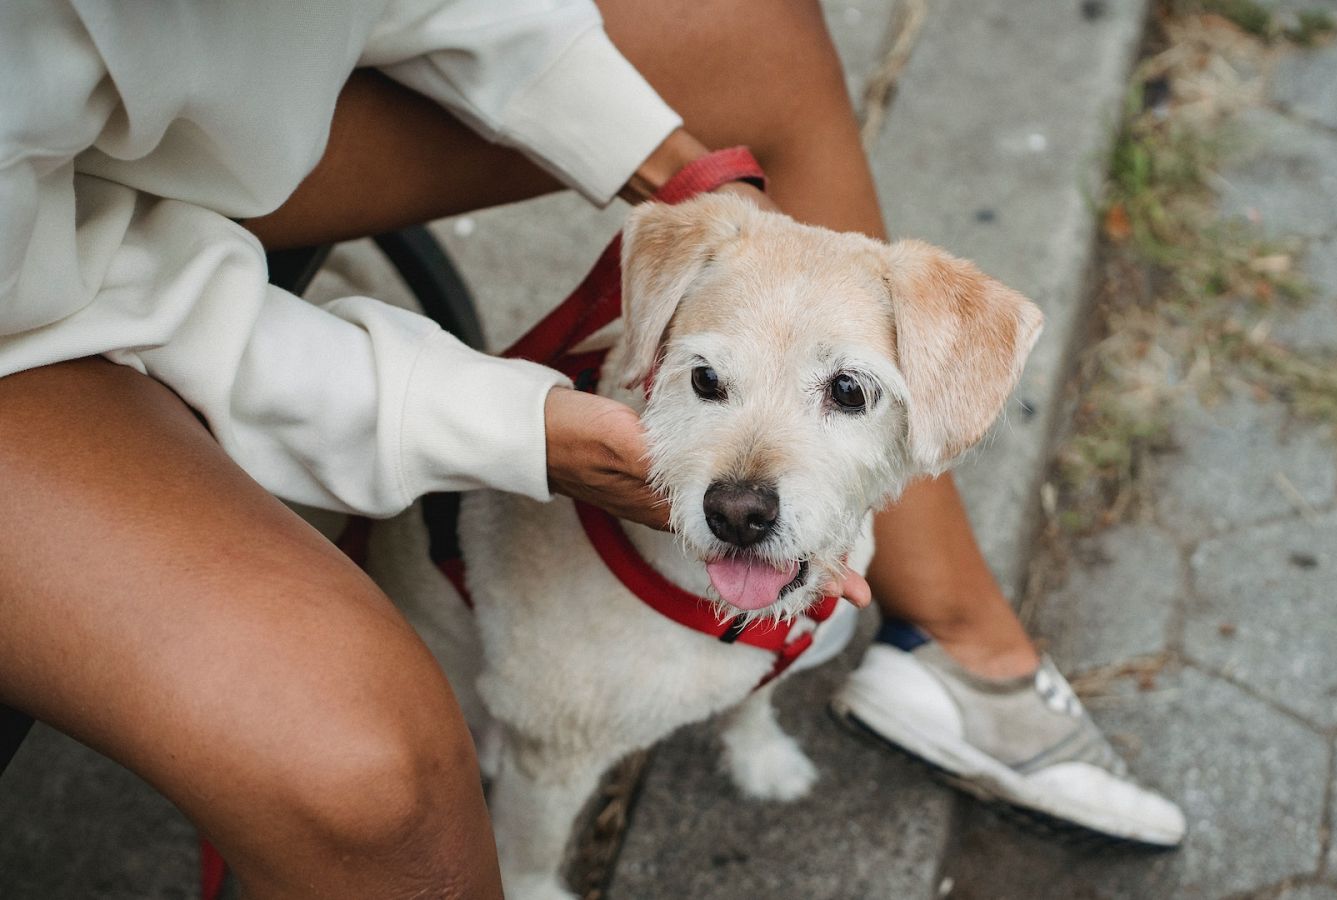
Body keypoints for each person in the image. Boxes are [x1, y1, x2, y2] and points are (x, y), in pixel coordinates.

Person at [0, 1, 1182, 895]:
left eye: (845, 393)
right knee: (378, 781)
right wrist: (507, 424)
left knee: (759, 28)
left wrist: (682, 174)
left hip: (198, 119)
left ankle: (948, 638)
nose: (748, 479)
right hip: (37, 290)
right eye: (705, 379)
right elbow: (81, 289)